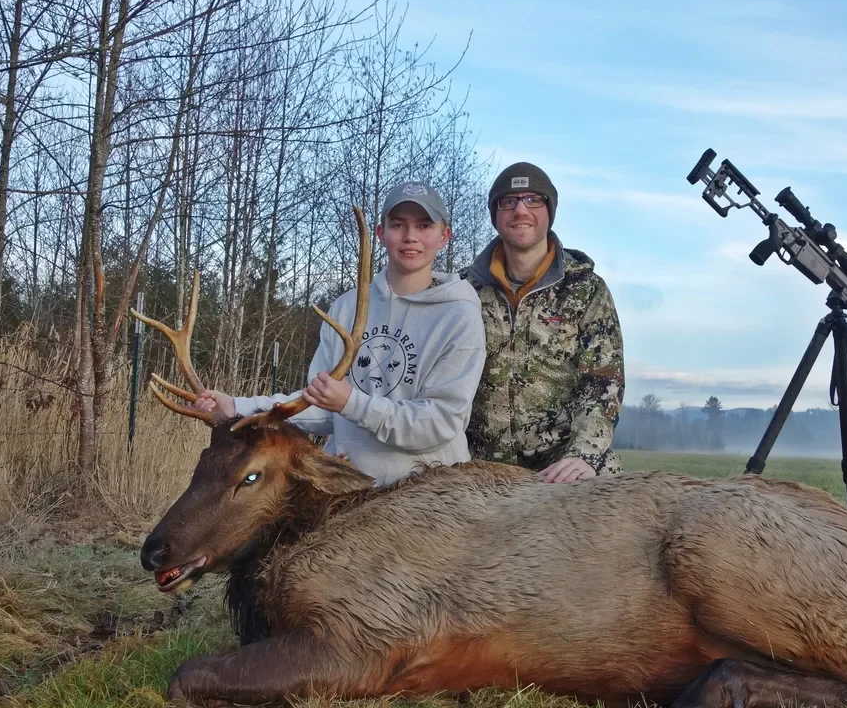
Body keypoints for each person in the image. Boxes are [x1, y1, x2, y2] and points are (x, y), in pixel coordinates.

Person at [195, 182, 487, 487]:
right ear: (381, 233)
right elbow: (321, 405)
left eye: (424, 226)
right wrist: (238, 407)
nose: (410, 236)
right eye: (398, 225)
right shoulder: (348, 307)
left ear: (444, 236)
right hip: (351, 488)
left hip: (429, 491)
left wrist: (352, 403)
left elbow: (440, 422)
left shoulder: (459, 315)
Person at [460, 161, 625, 483]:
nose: (520, 210)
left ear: (549, 211)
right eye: (508, 201)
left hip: (560, 462)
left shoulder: (586, 290)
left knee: (608, 487)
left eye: (533, 199)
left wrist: (584, 453)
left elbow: (603, 381)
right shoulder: (462, 290)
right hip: (476, 462)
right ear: (495, 214)